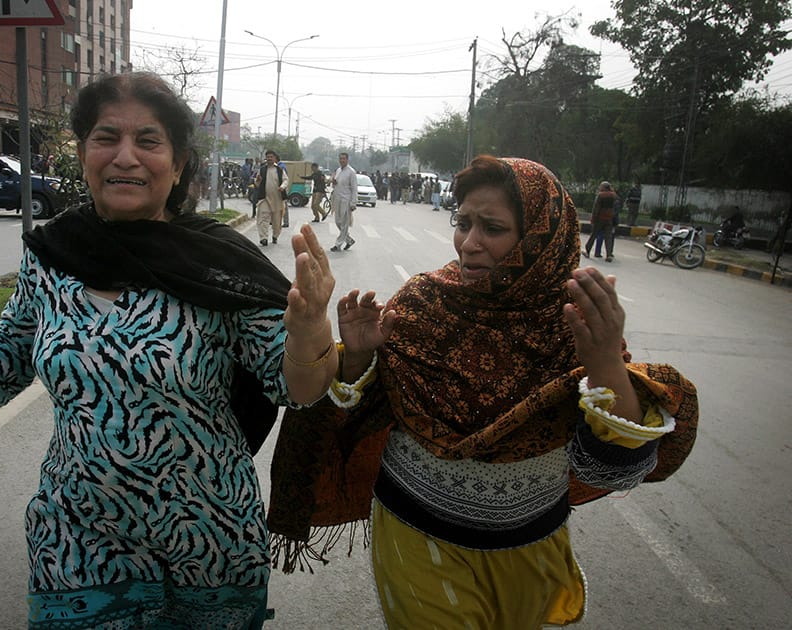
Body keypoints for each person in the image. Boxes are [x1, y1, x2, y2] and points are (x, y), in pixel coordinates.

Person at [0, 71, 339, 630]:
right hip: (76, 537)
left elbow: (299, 389)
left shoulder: (221, 266)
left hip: (208, 541)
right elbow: (13, 338)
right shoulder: (55, 252)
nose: (125, 157)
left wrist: (308, 330)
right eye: (106, 138)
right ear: (84, 153)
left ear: (178, 164)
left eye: (148, 141)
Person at [267, 156, 698, 629]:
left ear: (539, 238)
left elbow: (612, 468)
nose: (469, 244)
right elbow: (347, 411)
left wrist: (607, 368)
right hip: (416, 536)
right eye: (463, 222)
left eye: (491, 228)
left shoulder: (574, 323)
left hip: (532, 549)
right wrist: (357, 357)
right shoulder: (424, 301)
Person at [254, 149, 288, 246]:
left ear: (274, 158)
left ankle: (275, 235)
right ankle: (263, 238)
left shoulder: (279, 170)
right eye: (268, 157)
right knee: (263, 218)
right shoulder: (262, 169)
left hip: (277, 199)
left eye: (271, 157)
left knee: (277, 221)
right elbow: (257, 184)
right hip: (264, 198)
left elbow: (286, 180)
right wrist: (258, 181)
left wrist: (282, 187)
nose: (269, 159)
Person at [329, 152, 358, 252]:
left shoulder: (351, 172)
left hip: (346, 200)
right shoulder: (338, 170)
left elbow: (354, 189)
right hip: (337, 199)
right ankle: (349, 240)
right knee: (338, 222)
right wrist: (334, 182)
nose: (341, 160)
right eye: (340, 158)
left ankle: (338, 245)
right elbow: (335, 184)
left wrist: (353, 203)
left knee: (344, 223)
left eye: (343, 159)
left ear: (347, 160)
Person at [583, 181, 617, 261]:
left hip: (600, 218)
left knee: (594, 235)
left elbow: (596, 208)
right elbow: (615, 208)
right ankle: (608, 255)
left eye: (600, 186)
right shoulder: (614, 196)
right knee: (608, 237)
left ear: (604, 187)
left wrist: (593, 219)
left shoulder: (601, 195)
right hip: (609, 219)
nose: (599, 188)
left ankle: (587, 251)